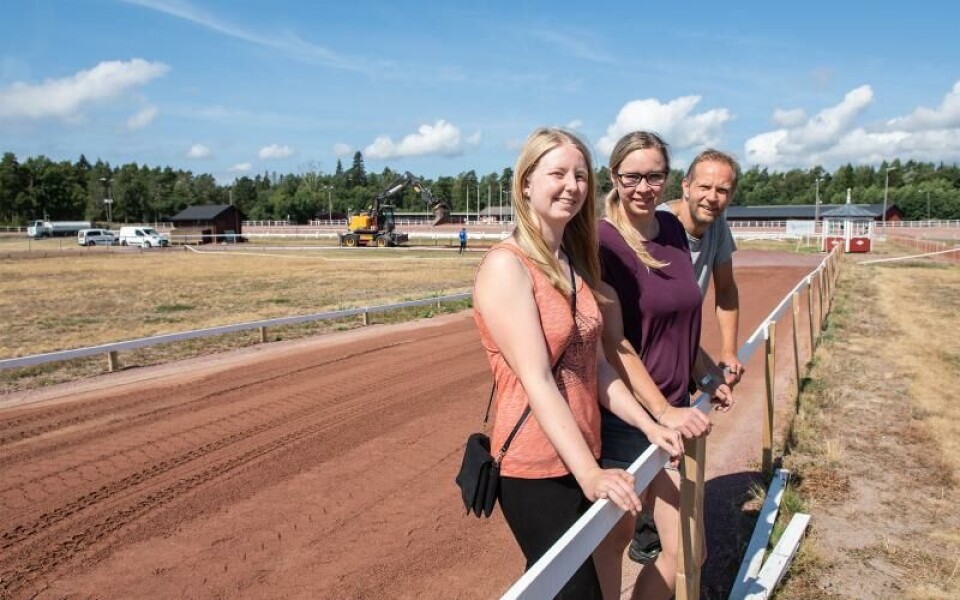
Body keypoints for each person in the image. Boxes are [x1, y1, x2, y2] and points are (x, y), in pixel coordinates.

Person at [472, 127, 683, 599]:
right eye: (558, 173)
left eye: (581, 176)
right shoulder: (507, 267)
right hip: (534, 467)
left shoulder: (569, 262)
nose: (571, 185)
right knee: (577, 592)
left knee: (557, 587)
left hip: (580, 453)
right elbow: (539, 380)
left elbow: (599, 368)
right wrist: (589, 473)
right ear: (526, 181)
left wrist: (650, 426)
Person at [591, 131, 734, 600]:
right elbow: (617, 344)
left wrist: (708, 377)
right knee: (613, 545)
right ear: (613, 176)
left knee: (688, 551)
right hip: (624, 419)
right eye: (632, 176)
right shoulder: (603, 242)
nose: (644, 187)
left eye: (655, 176)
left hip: (670, 412)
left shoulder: (673, 230)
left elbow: (679, 326)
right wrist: (661, 412)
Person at [629, 148, 745, 565]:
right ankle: (649, 533)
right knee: (651, 453)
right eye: (705, 187)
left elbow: (726, 290)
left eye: (722, 190)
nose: (713, 197)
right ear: (685, 187)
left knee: (670, 451)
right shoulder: (657, 226)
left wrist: (723, 360)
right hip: (643, 359)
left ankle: (658, 536)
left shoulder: (718, 230)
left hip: (678, 351)